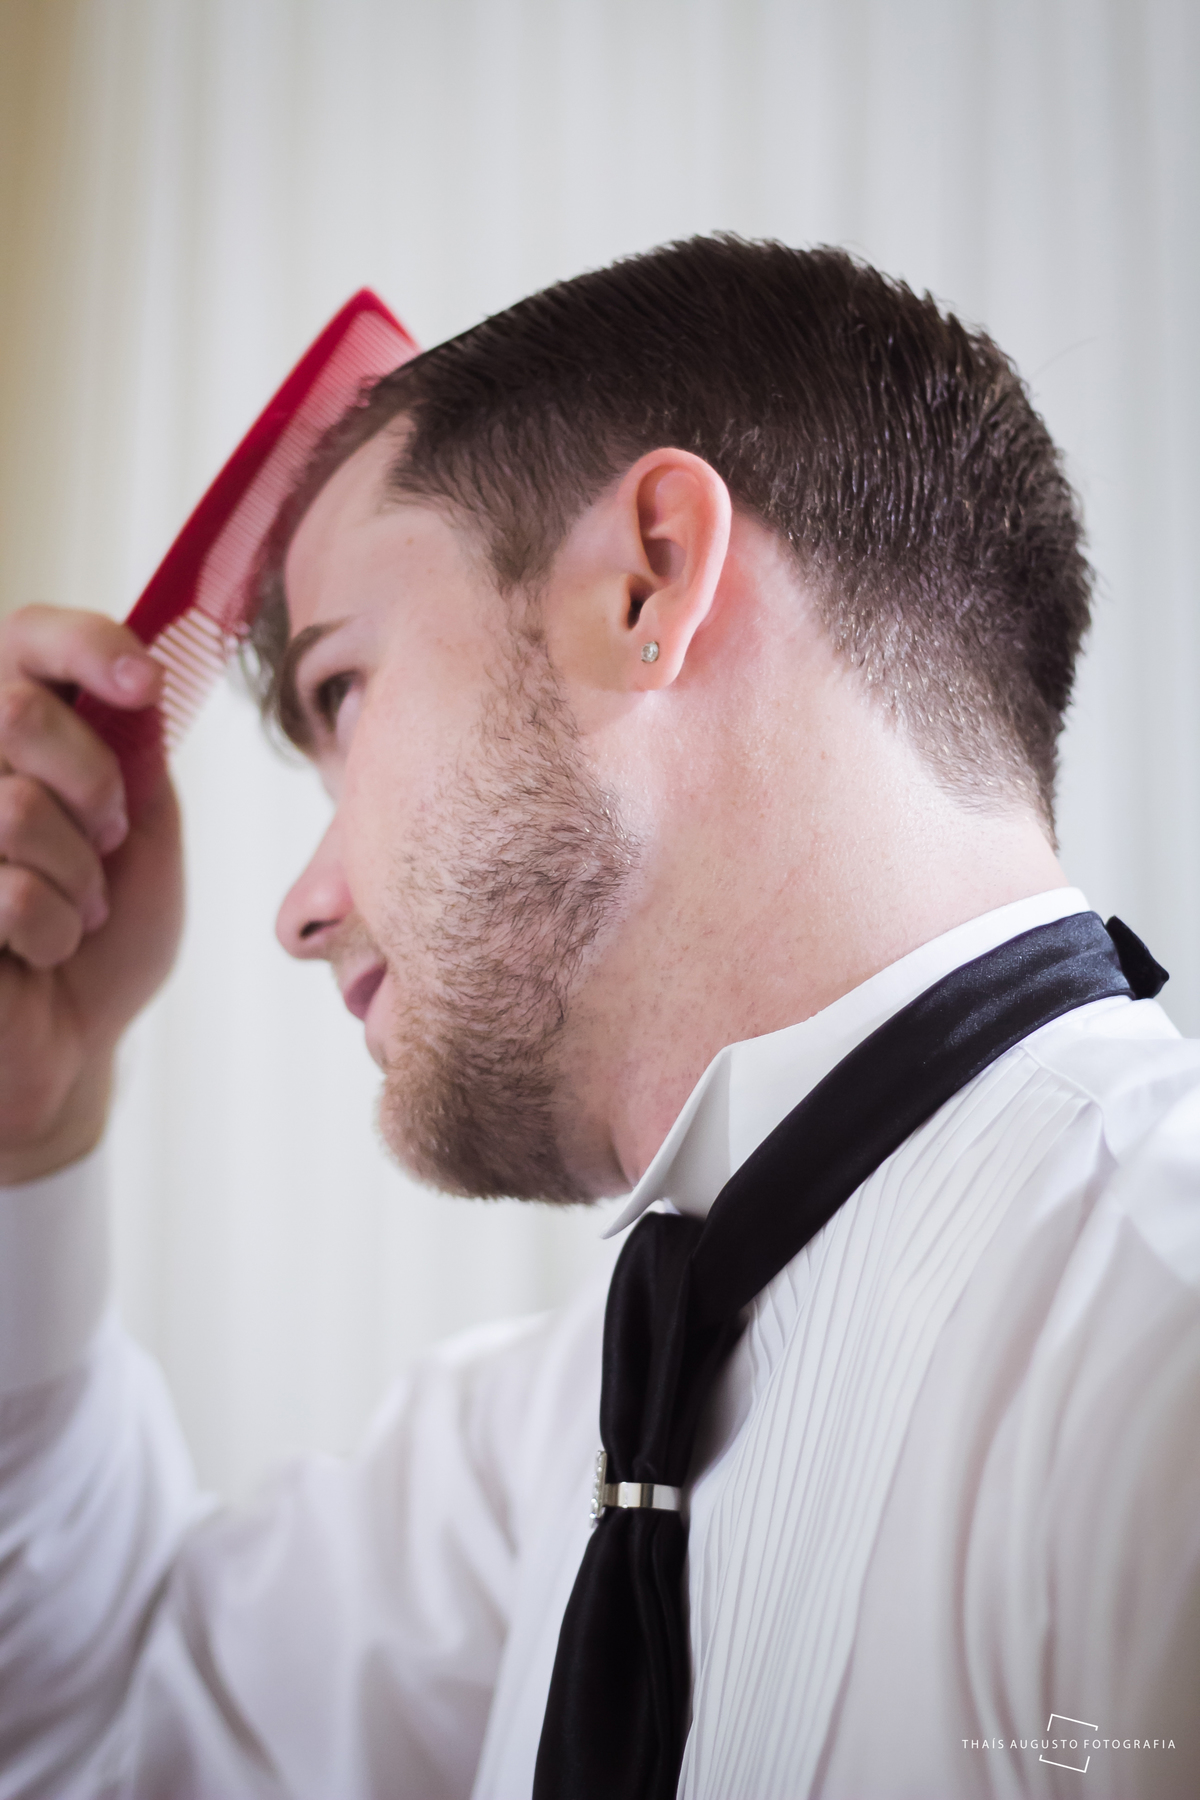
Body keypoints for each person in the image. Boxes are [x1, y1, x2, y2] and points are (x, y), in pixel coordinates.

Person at [0, 237, 1196, 1800]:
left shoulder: (1159, 1348)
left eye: (343, 698)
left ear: (648, 582)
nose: (295, 910)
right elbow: (91, 1738)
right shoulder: (548, 1450)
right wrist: (40, 1123)